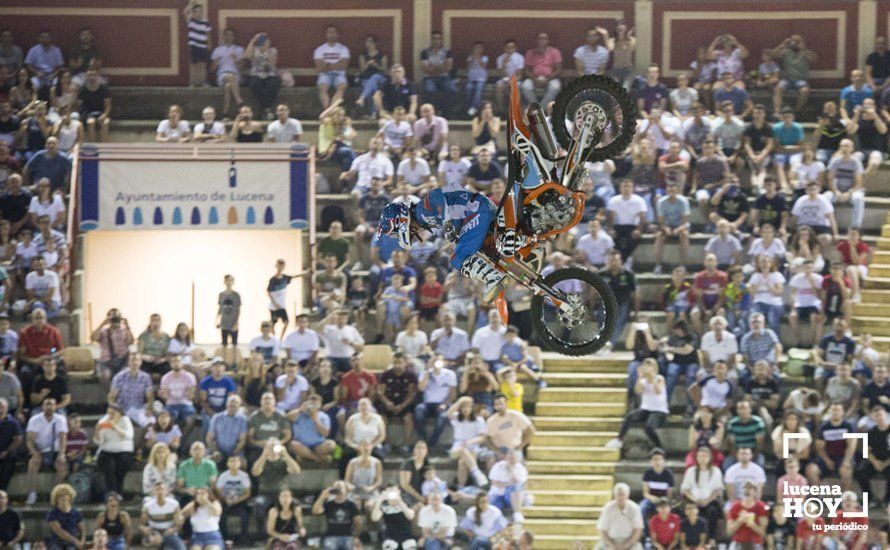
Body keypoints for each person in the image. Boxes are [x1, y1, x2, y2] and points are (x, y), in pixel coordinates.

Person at [606, 358, 668, 450]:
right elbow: (638, 391)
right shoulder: (642, 381)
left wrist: (652, 377)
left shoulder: (659, 378)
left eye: (650, 365)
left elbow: (657, 391)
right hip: (646, 409)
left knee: (649, 427)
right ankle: (618, 439)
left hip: (659, 410)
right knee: (630, 417)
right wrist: (639, 377)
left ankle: (659, 446)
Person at [25, 396, 67, 504]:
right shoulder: (35, 420)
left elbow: (63, 439)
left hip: (55, 450)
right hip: (40, 449)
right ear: (42, 406)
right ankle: (32, 493)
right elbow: (29, 440)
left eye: (52, 404)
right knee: (33, 463)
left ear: (55, 406)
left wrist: (61, 454)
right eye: (46, 404)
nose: (49, 407)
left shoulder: (61, 419)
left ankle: (56, 494)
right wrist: (35, 453)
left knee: (62, 464)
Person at [94, 404, 135, 497]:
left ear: (119, 413)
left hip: (124, 449)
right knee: (107, 464)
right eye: (109, 413)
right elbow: (99, 441)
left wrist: (115, 428)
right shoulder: (103, 421)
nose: (110, 415)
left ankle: (118, 492)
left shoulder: (125, 420)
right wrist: (97, 430)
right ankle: (111, 493)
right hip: (108, 450)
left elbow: (129, 436)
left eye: (113, 413)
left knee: (122, 464)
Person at [771, 35, 815, 113]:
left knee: (805, 91)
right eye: (794, 41)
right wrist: (782, 45)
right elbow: (773, 55)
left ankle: (796, 111)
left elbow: (814, 58)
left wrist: (803, 48)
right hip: (787, 79)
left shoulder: (805, 53)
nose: (795, 43)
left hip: (800, 80)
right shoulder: (786, 52)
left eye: (798, 41)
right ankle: (777, 112)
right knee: (777, 89)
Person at [311, 480, 361, 550]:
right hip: (331, 536)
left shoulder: (351, 505)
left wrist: (356, 537)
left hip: (347, 536)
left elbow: (358, 523)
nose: (338, 489)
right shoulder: (329, 504)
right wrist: (322, 497)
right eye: (336, 487)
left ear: (346, 490)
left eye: (340, 487)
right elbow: (315, 511)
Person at [596, 483, 643, 550]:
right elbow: (602, 531)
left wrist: (626, 546)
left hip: (629, 542)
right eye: (618, 495)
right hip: (611, 541)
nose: (620, 498)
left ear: (627, 495)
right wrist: (612, 545)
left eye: (622, 495)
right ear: (614, 495)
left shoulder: (634, 508)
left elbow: (638, 530)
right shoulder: (608, 508)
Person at [210, 28, 245, 118]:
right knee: (228, 76)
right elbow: (212, 69)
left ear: (234, 37)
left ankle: (225, 113)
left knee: (228, 86)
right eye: (227, 35)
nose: (229, 37)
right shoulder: (218, 50)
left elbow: (241, 68)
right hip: (222, 75)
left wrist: (236, 60)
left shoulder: (239, 50)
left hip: (236, 76)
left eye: (231, 35)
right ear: (223, 36)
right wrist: (216, 62)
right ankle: (239, 101)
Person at [244, 32, 280, 119]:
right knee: (254, 85)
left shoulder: (273, 50)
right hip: (256, 74)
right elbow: (246, 56)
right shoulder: (254, 49)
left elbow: (273, 63)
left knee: (274, 85)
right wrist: (253, 41)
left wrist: (266, 51)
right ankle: (267, 109)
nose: (266, 42)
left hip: (269, 74)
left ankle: (265, 108)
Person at [140, 482, 186, 550]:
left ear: (167, 492)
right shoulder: (148, 506)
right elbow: (142, 525)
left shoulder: (174, 504)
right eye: (157, 489)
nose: (160, 491)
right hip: (154, 533)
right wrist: (146, 531)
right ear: (153, 492)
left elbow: (178, 524)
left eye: (162, 489)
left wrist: (174, 529)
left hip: (169, 533)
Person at [314, 26, 350, 111]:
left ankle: (332, 110)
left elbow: (344, 65)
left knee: (342, 87)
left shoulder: (343, 49)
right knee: (322, 87)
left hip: (339, 74)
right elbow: (319, 67)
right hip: (325, 75)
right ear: (326, 34)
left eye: (334, 32)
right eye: (329, 32)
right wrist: (336, 65)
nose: (331, 34)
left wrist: (327, 65)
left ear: (337, 35)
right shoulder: (320, 49)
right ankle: (327, 110)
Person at [521, 32, 562, 107]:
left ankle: (541, 108)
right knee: (525, 86)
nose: (542, 41)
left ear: (548, 41)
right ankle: (535, 105)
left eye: (544, 39)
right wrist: (534, 79)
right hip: (534, 78)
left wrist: (548, 79)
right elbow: (526, 70)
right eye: (540, 39)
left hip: (550, 78)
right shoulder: (530, 53)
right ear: (536, 40)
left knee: (555, 87)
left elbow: (558, 69)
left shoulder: (555, 52)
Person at [726, 482, 768, 549]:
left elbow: (764, 533)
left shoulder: (762, 507)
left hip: (756, 543)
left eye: (750, 488)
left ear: (755, 493)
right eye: (745, 488)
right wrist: (739, 521)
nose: (747, 490)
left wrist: (752, 525)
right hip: (738, 542)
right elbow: (729, 532)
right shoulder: (734, 507)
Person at [46, 483, 86, 550]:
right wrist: (75, 541)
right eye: (60, 495)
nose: (63, 497)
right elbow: (59, 531)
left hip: (73, 543)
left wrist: (82, 541)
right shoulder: (52, 513)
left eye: (66, 495)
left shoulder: (76, 513)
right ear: (56, 498)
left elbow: (83, 530)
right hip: (57, 543)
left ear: (70, 497)